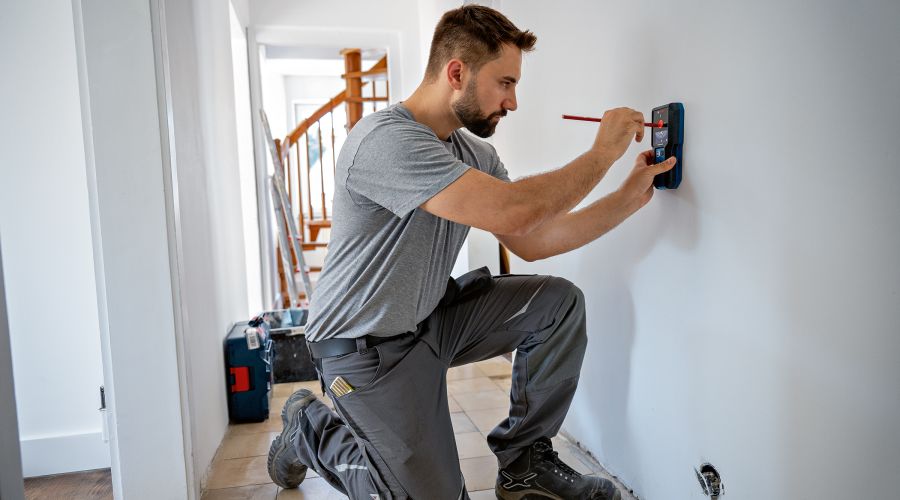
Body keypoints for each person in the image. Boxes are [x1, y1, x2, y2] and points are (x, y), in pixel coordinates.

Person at [267, 5, 675, 500]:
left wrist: (626, 199)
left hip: (430, 321)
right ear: (456, 73)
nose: (514, 101)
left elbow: (532, 240)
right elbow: (516, 213)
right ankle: (310, 431)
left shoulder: (474, 153)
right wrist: (600, 155)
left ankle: (525, 465)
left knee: (557, 306)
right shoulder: (383, 141)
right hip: (362, 349)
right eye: (505, 83)